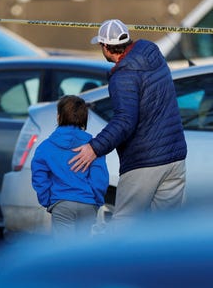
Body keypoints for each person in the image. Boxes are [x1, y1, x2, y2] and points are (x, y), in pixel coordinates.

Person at [69, 19, 187, 227]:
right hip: (174, 157)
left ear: (105, 47)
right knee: (168, 230)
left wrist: (94, 149)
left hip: (144, 160)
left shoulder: (123, 76)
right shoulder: (153, 53)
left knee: (124, 227)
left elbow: (125, 121)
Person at [31, 95, 109, 237]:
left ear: (58, 117)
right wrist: (96, 201)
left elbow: (39, 175)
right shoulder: (93, 146)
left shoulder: (46, 147)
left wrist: (47, 200)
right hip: (88, 202)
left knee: (64, 251)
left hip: (61, 203)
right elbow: (100, 177)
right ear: (84, 118)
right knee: (81, 251)